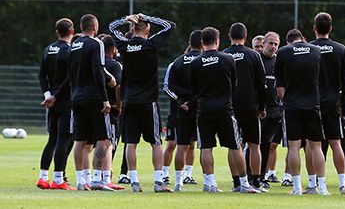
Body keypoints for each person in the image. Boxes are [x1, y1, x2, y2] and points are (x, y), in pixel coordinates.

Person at [108, 13, 175, 192]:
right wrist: (149, 17)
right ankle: (158, 182)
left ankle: (135, 182)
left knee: (131, 143)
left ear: (132, 28)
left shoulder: (124, 46)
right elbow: (170, 26)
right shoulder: (151, 44)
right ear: (147, 30)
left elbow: (111, 27)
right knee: (156, 142)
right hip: (148, 101)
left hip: (129, 101)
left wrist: (125, 20)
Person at [186, 27, 255, 193]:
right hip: (225, 109)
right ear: (217, 41)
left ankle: (210, 184)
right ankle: (244, 183)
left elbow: (193, 89)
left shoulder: (195, 63)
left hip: (204, 110)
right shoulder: (228, 59)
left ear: (202, 43)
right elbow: (234, 84)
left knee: (206, 147)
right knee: (235, 146)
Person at [47, 14, 112, 191]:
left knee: (80, 140)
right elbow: (98, 70)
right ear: (95, 27)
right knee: (104, 139)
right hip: (94, 98)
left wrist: (55, 95)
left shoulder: (72, 46)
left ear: (81, 27)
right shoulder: (96, 43)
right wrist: (105, 98)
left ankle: (81, 181)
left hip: (75, 98)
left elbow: (68, 76)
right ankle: (98, 179)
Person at [275, 29, 328, 196]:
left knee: (294, 147)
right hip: (312, 104)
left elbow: (280, 87)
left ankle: (297, 187)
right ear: (302, 39)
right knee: (316, 146)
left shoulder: (283, 52)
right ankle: (322, 187)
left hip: (292, 105)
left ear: (289, 41)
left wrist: (287, 100)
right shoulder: (316, 50)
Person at [310, 12, 345, 195]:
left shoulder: (309, 48)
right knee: (337, 144)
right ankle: (342, 184)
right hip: (334, 104)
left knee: (314, 145)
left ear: (314, 28)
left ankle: (317, 184)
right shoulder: (341, 49)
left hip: (312, 103)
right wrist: (344, 108)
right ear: (331, 28)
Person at [222, 23, 268, 191]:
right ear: (246, 36)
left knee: (234, 146)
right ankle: (256, 182)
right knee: (255, 145)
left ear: (229, 36)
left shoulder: (224, 55)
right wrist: (262, 107)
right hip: (250, 107)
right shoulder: (254, 55)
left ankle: (236, 183)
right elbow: (261, 84)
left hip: (229, 108)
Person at [37, 18, 75, 190]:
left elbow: (41, 75)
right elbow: (69, 79)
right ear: (72, 32)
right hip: (65, 101)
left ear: (57, 32)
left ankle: (43, 177)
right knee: (64, 139)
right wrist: (56, 96)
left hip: (51, 102)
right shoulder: (70, 51)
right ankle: (58, 179)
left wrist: (48, 95)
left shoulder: (48, 49)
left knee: (52, 139)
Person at [164, 31, 203, 191]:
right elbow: (167, 87)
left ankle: (185, 176)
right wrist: (184, 100)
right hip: (187, 110)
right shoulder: (204, 62)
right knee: (173, 144)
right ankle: (166, 173)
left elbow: (170, 85)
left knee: (187, 145)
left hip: (183, 109)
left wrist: (182, 99)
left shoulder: (177, 62)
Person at [98, 34, 125, 190]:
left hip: (97, 106)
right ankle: (105, 176)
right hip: (111, 108)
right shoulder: (114, 65)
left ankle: (93, 175)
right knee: (110, 143)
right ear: (114, 49)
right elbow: (119, 87)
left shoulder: (97, 63)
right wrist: (119, 106)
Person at [258, 32, 283, 185]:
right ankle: (250, 175)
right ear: (264, 44)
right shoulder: (256, 60)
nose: (273, 47)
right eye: (271, 43)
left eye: (276, 44)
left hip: (274, 110)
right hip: (258, 109)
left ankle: (262, 176)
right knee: (254, 144)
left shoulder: (279, 62)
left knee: (267, 145)